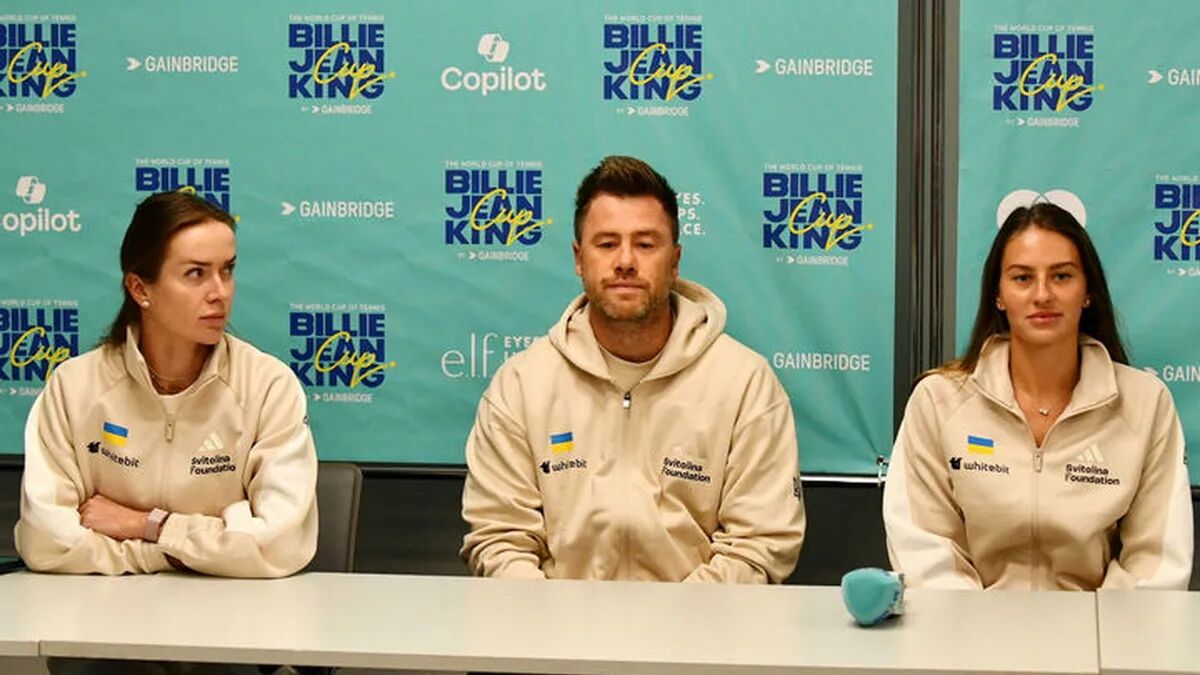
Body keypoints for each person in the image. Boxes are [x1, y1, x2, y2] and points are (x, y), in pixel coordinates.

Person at [460, 156, 805, 582]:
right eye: (607, 244)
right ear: (579, 259)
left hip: (700, 621)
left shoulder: (745, 384)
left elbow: (760, 544)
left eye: (645, 244)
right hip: (554, 621)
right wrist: (552, 617)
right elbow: (500, 540)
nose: (625, 261)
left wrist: (679, 619)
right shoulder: (521, 385)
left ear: (675, 260)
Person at [884, 201, 1193, 589]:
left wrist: (1098, 624)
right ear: (998, 295)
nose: (1042, 294)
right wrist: (975, 623)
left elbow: (1156, 564)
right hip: (968, 624)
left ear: (1087, 292)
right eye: (1022, 278)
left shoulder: (1146, 404)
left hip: (1101, 626)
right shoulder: (938, 401)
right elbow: (924, 550)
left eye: (1062, 276)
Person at [16, 191, 318, 578]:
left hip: (231, 607)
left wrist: (147, 525)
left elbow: (279, 544)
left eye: (227, 270)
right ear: (140, 289)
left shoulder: (269, 386)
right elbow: (46, 541)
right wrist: (194, 549)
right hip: (104, 607)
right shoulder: (73, 387)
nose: (220, 292)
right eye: (196, 274)